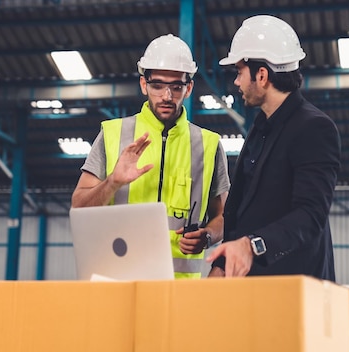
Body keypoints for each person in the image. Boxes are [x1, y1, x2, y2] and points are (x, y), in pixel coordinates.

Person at [71, 34, 230, 279]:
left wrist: (207, 236)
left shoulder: (209, 144)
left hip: (181, 292)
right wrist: (113, 181)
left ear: (188, 87)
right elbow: (78, 208)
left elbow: (224, 217)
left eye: (176, 86)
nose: (167, 96)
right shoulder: (113, 134)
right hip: (118, 283)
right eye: (157, 85)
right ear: (144, 84)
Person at [206, 15, 341, 280]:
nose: (236, 82)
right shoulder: (261, 127)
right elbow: (241, 209)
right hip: (252, 289)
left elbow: (310, 215)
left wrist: (252, 245)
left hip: (295, 290)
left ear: (262, 75)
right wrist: (222, 264)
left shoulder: (314, 129)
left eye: (239, 72)